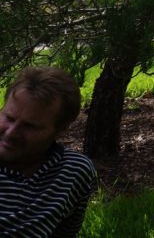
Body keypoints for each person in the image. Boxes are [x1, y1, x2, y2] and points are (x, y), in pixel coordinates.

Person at [0, 66, 97, 237]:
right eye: (9, 118)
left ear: (60, 130)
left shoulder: (73, 172)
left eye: (30, 126)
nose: (11, 132)